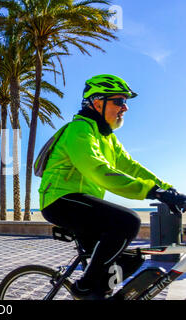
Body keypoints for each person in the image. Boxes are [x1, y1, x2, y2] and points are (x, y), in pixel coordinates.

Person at [38, 74, 186, 300]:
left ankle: (99, 293)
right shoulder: (79, 130)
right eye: (119, 101)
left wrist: (169, 191)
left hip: (83, 201)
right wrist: (151, 192)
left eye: (125, 102)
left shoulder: (107, 137)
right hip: (61, 201)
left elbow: (132, 167)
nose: (125, 107)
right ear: (97, 103)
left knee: (131, 259)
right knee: (128, 221)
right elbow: (97, 169)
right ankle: (84, 286)